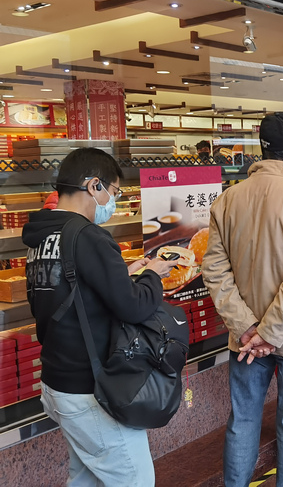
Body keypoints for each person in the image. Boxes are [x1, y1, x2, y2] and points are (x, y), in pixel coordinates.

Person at [23, 147, 177, 486]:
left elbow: (64, 290)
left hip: (56, 380)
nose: (113, 202)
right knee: (135, 479)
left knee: (85, 477)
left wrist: (122, 272)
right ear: (94, 185)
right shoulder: (88, 236)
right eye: (115, 192)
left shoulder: (41, 237)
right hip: (89, 388)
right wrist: (152, 274)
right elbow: (135, 307)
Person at [203, 112, 283, 487]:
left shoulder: (227, 199)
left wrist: (247, 328)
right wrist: (270, 332)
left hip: (245, 341)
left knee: (242, 421)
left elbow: (215, 271)